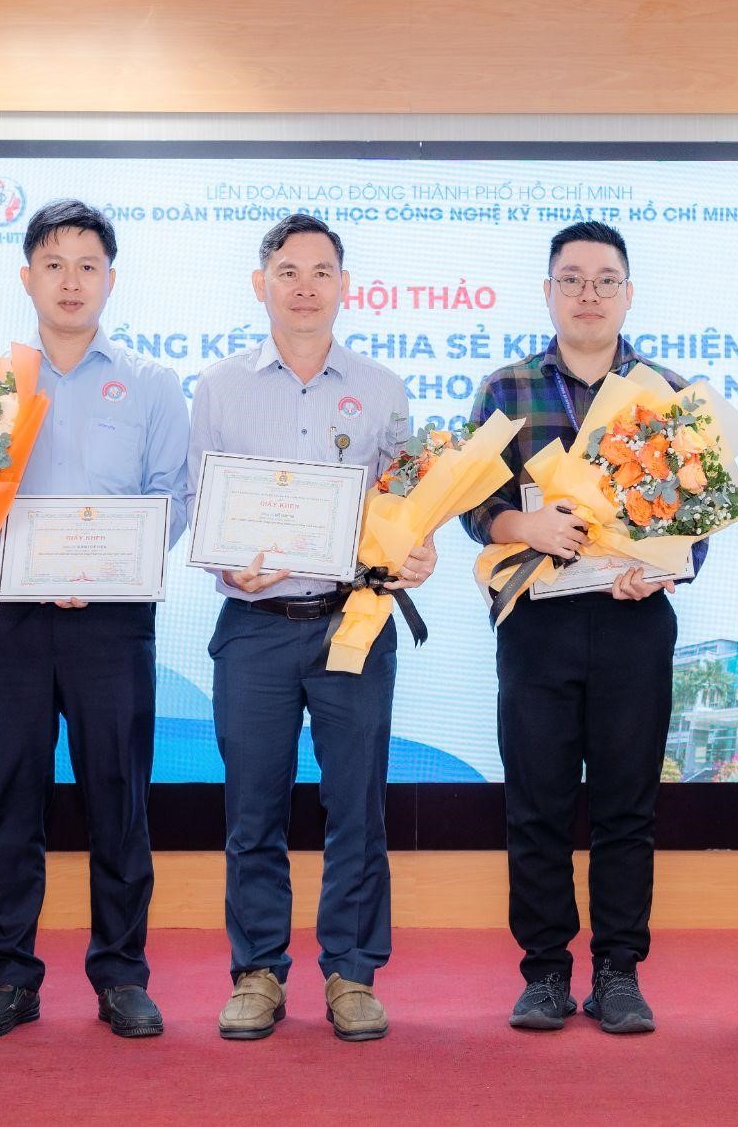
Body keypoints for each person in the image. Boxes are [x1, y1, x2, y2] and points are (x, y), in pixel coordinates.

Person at [0, 200, 192, 1041]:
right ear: (26, 277)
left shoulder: (152, 383)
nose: (70, 281)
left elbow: (174, 495)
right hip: (8, 617)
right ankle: (10, 976)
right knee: (11, 802)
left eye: (87, 265)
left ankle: (122, 976)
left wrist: (109, 567)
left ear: (111, 279)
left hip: (112, 623)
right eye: (53, 264)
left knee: (119, 800)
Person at [188, 213, 437, 1042]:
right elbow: (202, 504)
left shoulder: (382, 387)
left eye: (321, 271)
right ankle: (257, 970)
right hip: (254, 625)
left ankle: (352, 973)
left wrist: (418, 549)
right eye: (288, 271)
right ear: (260, 283)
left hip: (352, 621)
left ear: (344, 285)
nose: (304, 286)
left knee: (356, 808)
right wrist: (229, 566)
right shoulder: (218, 388)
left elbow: (406, 503)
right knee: (251, 810)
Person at [461, 220, 698, 1036]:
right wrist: (521, 527)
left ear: (629, 293)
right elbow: (472, 504)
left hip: (635, 618)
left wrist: (662, 564)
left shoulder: (667, 391)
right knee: (537, 804)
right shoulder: (506, 388)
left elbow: (696, 517)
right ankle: (545, 972)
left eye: (604, 280)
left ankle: (619, 972)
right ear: (549, 291)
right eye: (572, 279)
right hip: (538, 621)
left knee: (627, 806)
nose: (588, 294)